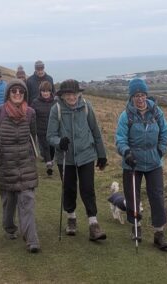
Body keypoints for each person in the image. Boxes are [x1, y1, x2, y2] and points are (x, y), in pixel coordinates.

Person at [47, 79, 108, 241]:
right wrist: (59, 142)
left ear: (78, 94)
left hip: (86, 154)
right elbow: (50, 136)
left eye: (74, 93)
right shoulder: (56, 109)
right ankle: (71, 218)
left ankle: (93, 224)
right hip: (65, 158)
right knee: (69, 188)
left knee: (88, 188)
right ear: (63, 95)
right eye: (68, 94)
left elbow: (96, 132)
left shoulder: (87, 107)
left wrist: (102, 154)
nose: (71, 97)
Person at [0, 79, 40, 253]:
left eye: (21, 92)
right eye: (14, 91)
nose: (17, 94)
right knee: (9, 203)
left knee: (27, 201)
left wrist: (34, 155)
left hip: (25, 165)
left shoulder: (30, 113)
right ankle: (9, 228)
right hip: (5, 164)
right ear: (8, 93)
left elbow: (33, 135)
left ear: (25, 95)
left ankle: (32, 239)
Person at [115, 78, 167, 250]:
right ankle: (136, 228)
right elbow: (120, 138)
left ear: (146, 95)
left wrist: (160, 151)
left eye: (142, 95)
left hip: (154, 162)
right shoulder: (126, 115)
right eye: (136, 95)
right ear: (132, 97)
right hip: (132, 162)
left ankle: (159, 233)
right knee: (133, 196)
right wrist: (126, 153)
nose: (140, 98)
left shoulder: (156, 112)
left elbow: (165, 133)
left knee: (157, 196)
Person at [31, 81, 55, 176]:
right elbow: (32, 115)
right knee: (45, 147)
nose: (45, 93)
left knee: (52, 147)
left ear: (50, 91)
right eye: (43, 91)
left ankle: (50, 159)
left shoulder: (55, 102)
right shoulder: (35, 102)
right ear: (40, 91)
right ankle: (49, 165)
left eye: (47, 91)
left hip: (53, 130)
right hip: (41, 129)